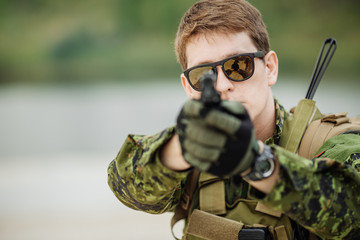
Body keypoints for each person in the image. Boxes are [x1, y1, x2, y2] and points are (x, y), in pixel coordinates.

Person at [107, 0, 360, 239]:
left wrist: (257, 162)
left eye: (239, 65)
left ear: (269, 68)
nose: (223, 85)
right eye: (204, 74)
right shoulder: (190, 157)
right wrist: (183, 148)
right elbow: (126, 186)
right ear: (188, 87)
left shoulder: (329, 143)